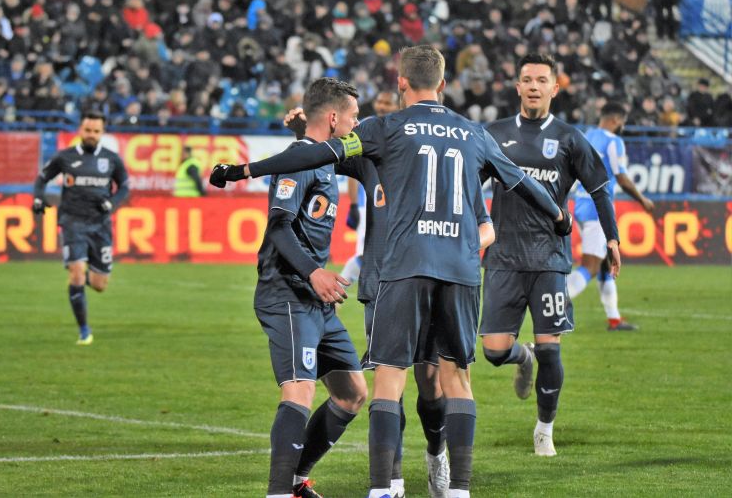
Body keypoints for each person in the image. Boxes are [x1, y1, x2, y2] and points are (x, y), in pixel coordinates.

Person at [211, 45, 569, 498]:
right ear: (443, 84)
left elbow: (312, 154)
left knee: (391, 378)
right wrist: (559, 216)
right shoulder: (472, 134)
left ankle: (386, 485)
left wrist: (245, 170)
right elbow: (521, 182)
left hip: (403, 269)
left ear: (402, 83)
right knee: (454, 379)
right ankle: (447, 488)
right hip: (453, 272)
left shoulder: (386, 130)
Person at [284, 94, 493, 497]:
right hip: (383, 279)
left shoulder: (442, 163)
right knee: (388, 380)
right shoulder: (368, 154)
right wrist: (302, 131)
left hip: (437, 277)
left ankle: (436, 453)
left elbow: (486, 225)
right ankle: (392, 481)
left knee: (431, 385)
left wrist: (464, 245)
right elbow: (322, 152)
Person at [478, 53, 621, 457]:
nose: (534, 86)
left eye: (542, 80)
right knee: (493, 352)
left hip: (549, 258)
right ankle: (520, 357)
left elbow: (600, 190)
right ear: (517, 86)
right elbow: (469, 182)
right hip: (503, 257)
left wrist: (612, 238)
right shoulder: (494, 134)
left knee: (550, 348)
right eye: (527, 79)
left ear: (555, 88)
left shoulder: (570, 138)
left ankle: (544, 429)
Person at [251, 78, 368, 498]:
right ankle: (278, 492)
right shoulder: (297, 161)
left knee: (352, 393)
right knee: (300, 388)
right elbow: (279, 226)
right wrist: (314, 272)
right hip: (287, 291)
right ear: (334, 118)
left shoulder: (322, 157)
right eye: (353, 116)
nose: (357, 124)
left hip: (315, 299)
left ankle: (296, 479)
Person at [32, 111, 129, 345]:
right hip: (72, 222)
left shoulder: (112, 159)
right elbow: (42, 178)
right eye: (87, 130)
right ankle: (84, 330)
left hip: (100, 225)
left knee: (99, 285)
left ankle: (83, 274)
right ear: (80, 130)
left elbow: (125, 186)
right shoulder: (65, 157)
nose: (91, 135)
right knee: (76, 272)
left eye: (96, 131)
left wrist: (112, 203)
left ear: (102, 132)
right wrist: (38, 198)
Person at [568, 102, 653, 331]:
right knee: (591, 266)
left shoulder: (586, 136)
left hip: (581, 204)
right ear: (616, 120)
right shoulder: (614, 141)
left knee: (606, 265)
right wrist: (642, 199)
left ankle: (614, 319)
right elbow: (622, 178)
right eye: (622, 122)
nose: (622, 126)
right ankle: (555, 299)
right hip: (598, 208)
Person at [339, 90, 399, 288]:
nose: (382, 106)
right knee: (367, 254)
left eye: (387, 103)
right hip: (369, 204)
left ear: (397, 106)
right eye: (380, 101)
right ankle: (335, 294)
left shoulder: (402, 128)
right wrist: (354, 205)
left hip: (397, 203)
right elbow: (352, 168)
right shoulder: (364, 127)